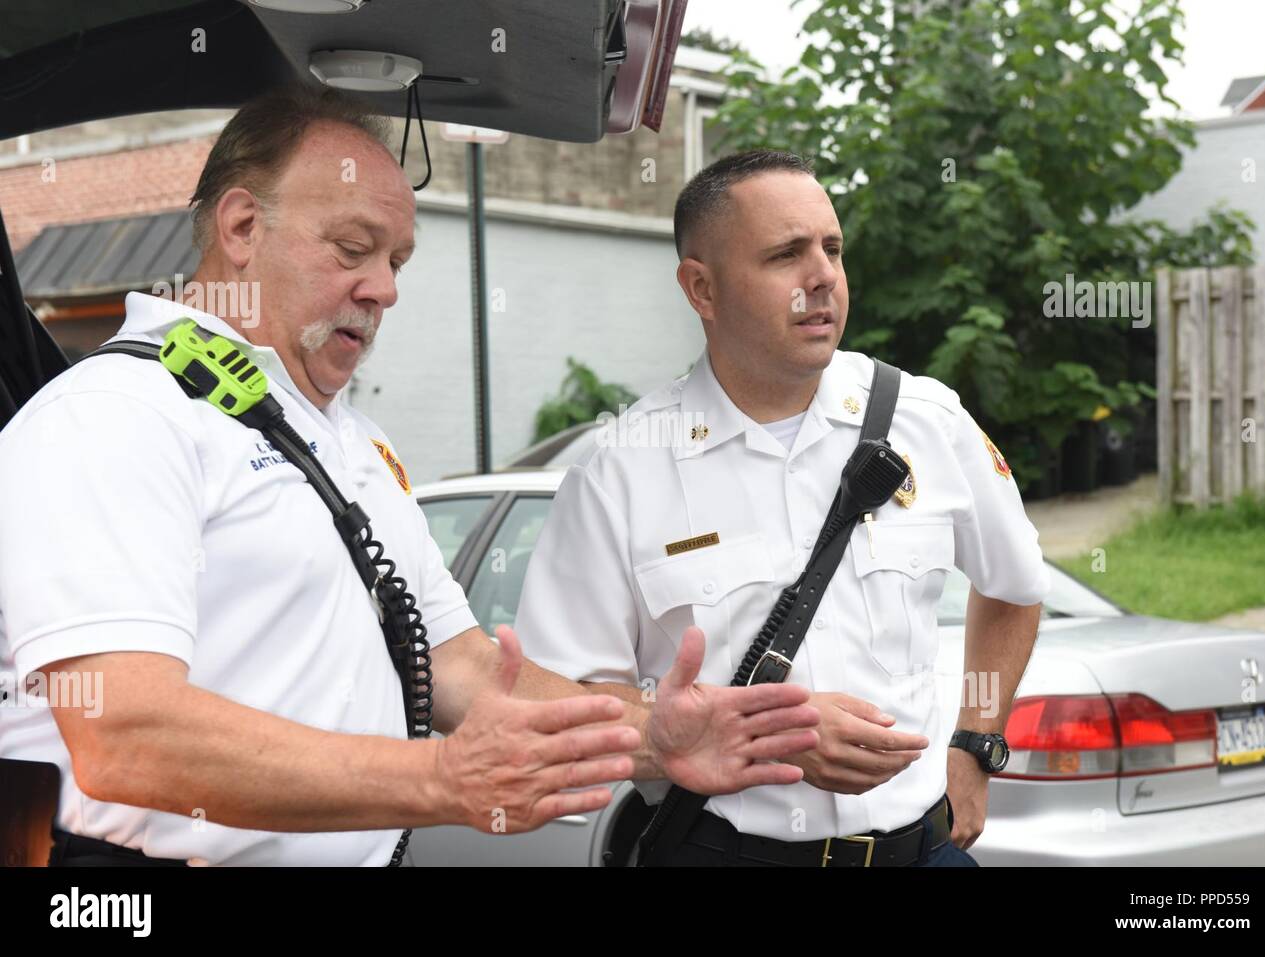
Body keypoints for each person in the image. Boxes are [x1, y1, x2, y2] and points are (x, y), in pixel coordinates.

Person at [0, 91, 820, 867]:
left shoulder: (347, 436)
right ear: (243, 226)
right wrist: (439, 780)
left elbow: (459, 665)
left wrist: (652, 737)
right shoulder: (115, 414)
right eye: (353, 249)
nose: (386, 288)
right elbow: (124, 735)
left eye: (397, 259)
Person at [510, 149, 1049, 867]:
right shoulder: (623, 470)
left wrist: (976, 746)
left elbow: (1015, 586)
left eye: (832, 247)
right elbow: (558, 703)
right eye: (786, 254)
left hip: (918, 850)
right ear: (702, 289)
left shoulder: (927, 420)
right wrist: (756, 735)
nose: (823, 275)